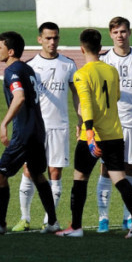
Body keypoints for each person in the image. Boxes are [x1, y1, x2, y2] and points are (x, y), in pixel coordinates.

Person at [55, 29, 132, 238]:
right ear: (100, 47)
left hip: (93, 136)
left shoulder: (81, 74)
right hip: (115, 134)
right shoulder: (111, 71)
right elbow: (116, 96)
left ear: (82, 48)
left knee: (80, 178)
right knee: (120, 178)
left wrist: (88, 132)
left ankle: (76, 227)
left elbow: (86, 104)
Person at [0, 32, 60, 235]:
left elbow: (19, 97)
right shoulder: (27, 68)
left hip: (24, 133)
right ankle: (53, 222)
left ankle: (0, 223)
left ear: (10, 51)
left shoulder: (12, 70)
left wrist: (4, 123)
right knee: (37, 174)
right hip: (38, 131)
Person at [13, 22, 80, 232]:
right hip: (36, 128)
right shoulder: (30, 66)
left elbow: (76, 94)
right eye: (48, 38)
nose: (52, 42)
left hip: (60, 126)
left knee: (55, 172)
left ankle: (49, 220)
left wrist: (81, 120)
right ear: (39, 39)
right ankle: (24, 218)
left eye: (55, 38)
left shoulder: (68, 64)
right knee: (29, 170)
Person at [97, 17, 132, 232]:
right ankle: (103, 218)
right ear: (111, 34)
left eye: (123, 31)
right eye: (116, 32)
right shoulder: (104, 60)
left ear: (129, 33)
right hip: (110, 124)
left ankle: (129, 217)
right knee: (106, 170)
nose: (120, 35)